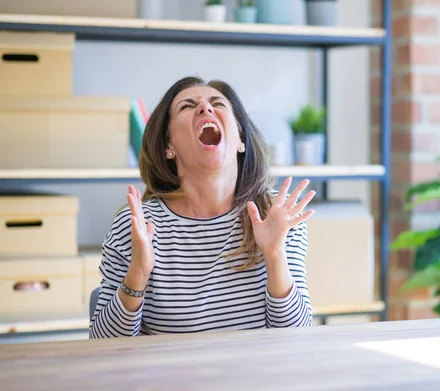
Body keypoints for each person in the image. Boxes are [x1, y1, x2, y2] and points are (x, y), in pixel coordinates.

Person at [90, 76, 315, 338]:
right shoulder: (136, 225)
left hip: (256, 376)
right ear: (168, 147)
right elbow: (102, 344)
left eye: (218, 103)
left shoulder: (276, 214)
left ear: (241, 139)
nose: (205, 108)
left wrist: (275, 255)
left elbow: (297, 338)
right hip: (171, 378)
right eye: (187, 106)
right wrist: (137, 274)